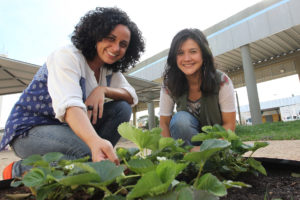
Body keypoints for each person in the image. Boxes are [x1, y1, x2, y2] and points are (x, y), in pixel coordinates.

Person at [0, 7, 145, 179]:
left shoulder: (108, 69)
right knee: (85, 155)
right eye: (110, 39)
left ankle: (96, 159)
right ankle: (19, 169)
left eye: (123, 44)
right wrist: (93, 142)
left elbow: (131, 96)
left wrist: (103, 89)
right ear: (96, 35)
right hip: (30, 130)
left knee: (122, 108)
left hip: (66, 130)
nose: (115, 48)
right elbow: (71, 106)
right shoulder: (67, 56)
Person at [159, 28, 236, 146]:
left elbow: (229, 124)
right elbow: (164, 123)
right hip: (187, 148)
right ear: (174, 58)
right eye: (180, 53)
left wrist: (206, 150)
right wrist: (171, 151)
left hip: (215, 143)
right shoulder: (169, 85)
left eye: (193, 51)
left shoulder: (222, 81)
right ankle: (188, 162)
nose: (187, 58)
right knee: (180, 120)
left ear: (204, 54)